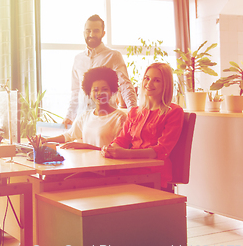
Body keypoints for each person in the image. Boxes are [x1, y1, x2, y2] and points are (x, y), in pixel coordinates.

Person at [101, 62, 184, 190]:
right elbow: (122, 140)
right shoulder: (134, 112)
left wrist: (125, 154)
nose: (149, 84)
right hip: (129, 170)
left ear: (165, 85)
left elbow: (161, 150)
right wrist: (111, 149)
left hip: (154, 174)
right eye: (147, 78)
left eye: (157, 80)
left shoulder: (174, 112)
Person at [62, 14, 137, 128]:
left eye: (96, 31)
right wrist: (69, 116)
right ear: (84, 33)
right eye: (88, 31)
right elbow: (76, 92)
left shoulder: (113, 56)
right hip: (82, 122)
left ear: (103, 33)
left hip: (106, 120)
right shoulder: (78, 59)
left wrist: (133, 112)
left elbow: (125, 86)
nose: (91, 34)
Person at [43, 67, 127, 149]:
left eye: (105, 89)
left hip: (107, 163)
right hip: (87, 162)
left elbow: (117, 150)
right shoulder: (85, 116)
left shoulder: (120, 118)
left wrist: (86, 146)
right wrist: (46, 139)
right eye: (96, 90)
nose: (100, 93)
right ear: (89, 93)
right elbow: (68, 135)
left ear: (111, 91)